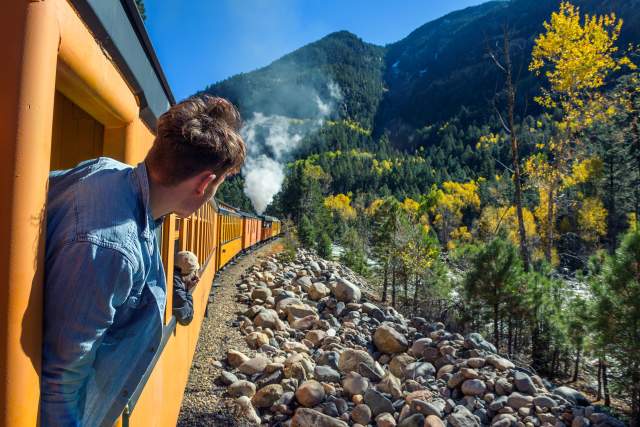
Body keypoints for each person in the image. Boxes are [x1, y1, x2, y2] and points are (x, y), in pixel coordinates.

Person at [41, 96, 245, 426]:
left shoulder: (106, 170)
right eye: (218, 184)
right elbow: (60, 384)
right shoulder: (112, 249)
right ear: (205, 182)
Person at [172, 250, 200, 326]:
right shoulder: (175, 283)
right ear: (186, 273)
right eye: (193, 272)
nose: (195, 276)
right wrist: (188, 291)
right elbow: (187, 318)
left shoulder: (172, 275)